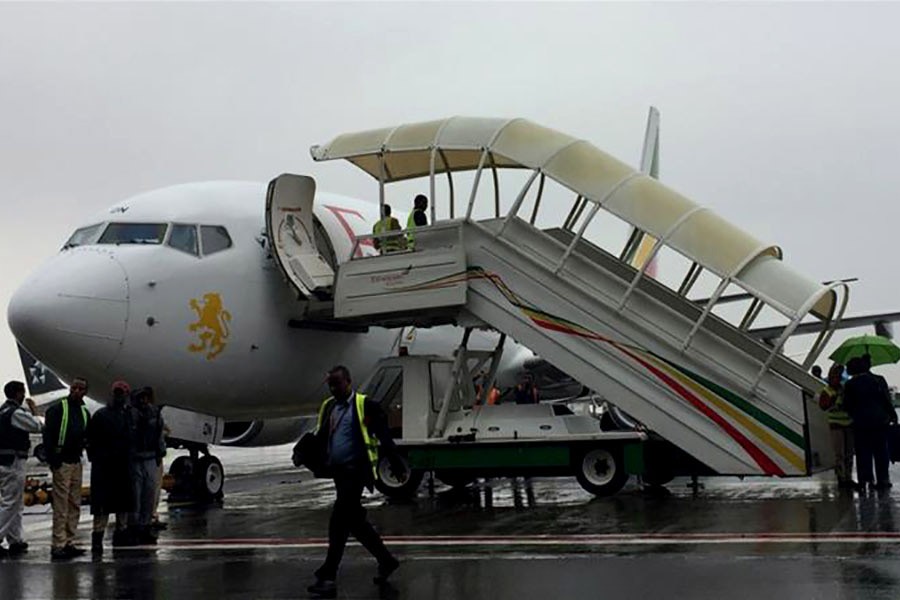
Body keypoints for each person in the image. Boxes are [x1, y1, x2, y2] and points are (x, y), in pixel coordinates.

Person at [306, 366, 403, 599]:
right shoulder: (328, 406)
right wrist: (307, 453)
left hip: (357, 472)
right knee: (355, 523)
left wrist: (396, 463)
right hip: (338, 473)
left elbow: (384, 436)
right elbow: (322, 437)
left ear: (349, 382)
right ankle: (386, 561)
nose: (333, 388)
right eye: (330, 384)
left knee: (338, 522)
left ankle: (328, 576)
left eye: (337, 384)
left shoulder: (366, 405)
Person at [43, 377, 91, 559]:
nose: (77, 391)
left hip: (76, 460)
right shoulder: (58, 409)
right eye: (74, 388)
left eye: (81, 388)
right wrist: (53, 459)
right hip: (62, 461)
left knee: (74, 503)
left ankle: (69, 541)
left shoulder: (84, 412)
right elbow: (48, 435)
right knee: (61, 504)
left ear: (85, 392)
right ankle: (58, 543)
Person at [86, 381, 135, 554]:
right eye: (117, 393)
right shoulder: (102, 415)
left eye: (122, 393)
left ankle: (118, 536)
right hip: (106, 466)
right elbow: (90, 441)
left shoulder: (127, 415)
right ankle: (99, 540)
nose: (119, 396)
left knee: (120, 504)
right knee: (104, 507)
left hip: (118, 465)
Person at [0, 381, 42, 558]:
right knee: (10, 502)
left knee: (16, 502)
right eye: (22, 392)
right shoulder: (16, 413)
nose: (24, 395)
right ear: (17, 394)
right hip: (14, 462)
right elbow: (37, 426)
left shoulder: (2, 411)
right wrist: (34, 411)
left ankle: (15, 539)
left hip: (5, 460)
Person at [844, 355, 897, 491]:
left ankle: (865, 481)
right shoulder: (878, 380)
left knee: (863, 453)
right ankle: (883, 480)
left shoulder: (850, 384)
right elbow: (886, 400)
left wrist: (854, 415)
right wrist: (892, 416)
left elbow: (847, 405)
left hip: (861, 423)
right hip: (880, 421)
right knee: (881, 451)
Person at [129, 386, 165, 544]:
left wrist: (160, 452)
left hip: (150, 457)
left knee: (149, 493)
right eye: (141, 398)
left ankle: (145, 526)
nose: (144, 400)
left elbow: (159, 433)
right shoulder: (130, 413)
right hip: (136, 458)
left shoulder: (154, 412)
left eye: (146, 397)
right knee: (136, 495)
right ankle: (134, 527)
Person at [818, 364, 856, 489]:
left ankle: (848, 477)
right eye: (835, 376)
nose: (838, 378)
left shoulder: (845, 389)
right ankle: (841, 478)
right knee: (839, 453)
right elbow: (823, 406)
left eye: (839, 376)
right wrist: (834, 400)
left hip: (848, 423)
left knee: (849, 452)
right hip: (836, 424)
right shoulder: (827, 391)